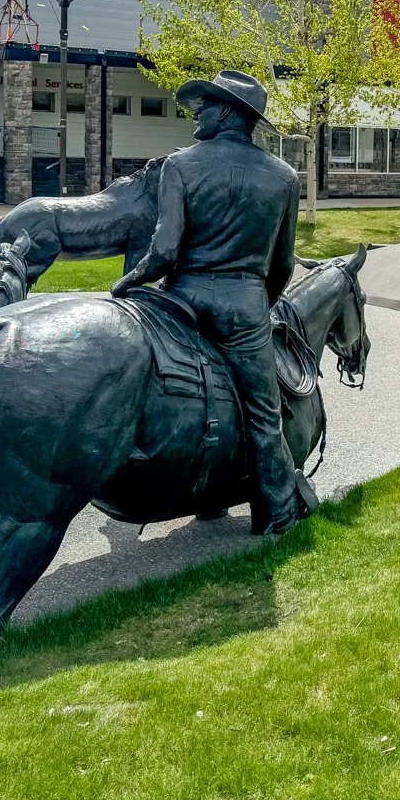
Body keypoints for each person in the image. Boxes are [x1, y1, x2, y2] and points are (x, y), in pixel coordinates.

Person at [110, 70, 311, 536]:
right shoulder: (283, 177)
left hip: (184, 301)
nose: (196, 111)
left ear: (228, 113)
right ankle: (279, 510)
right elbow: (282, 264)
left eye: (205, 104)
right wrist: (257, 307)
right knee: (263, 414)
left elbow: (163, 252)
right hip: (245, 304)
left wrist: (128, 282)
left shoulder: (179, 166)